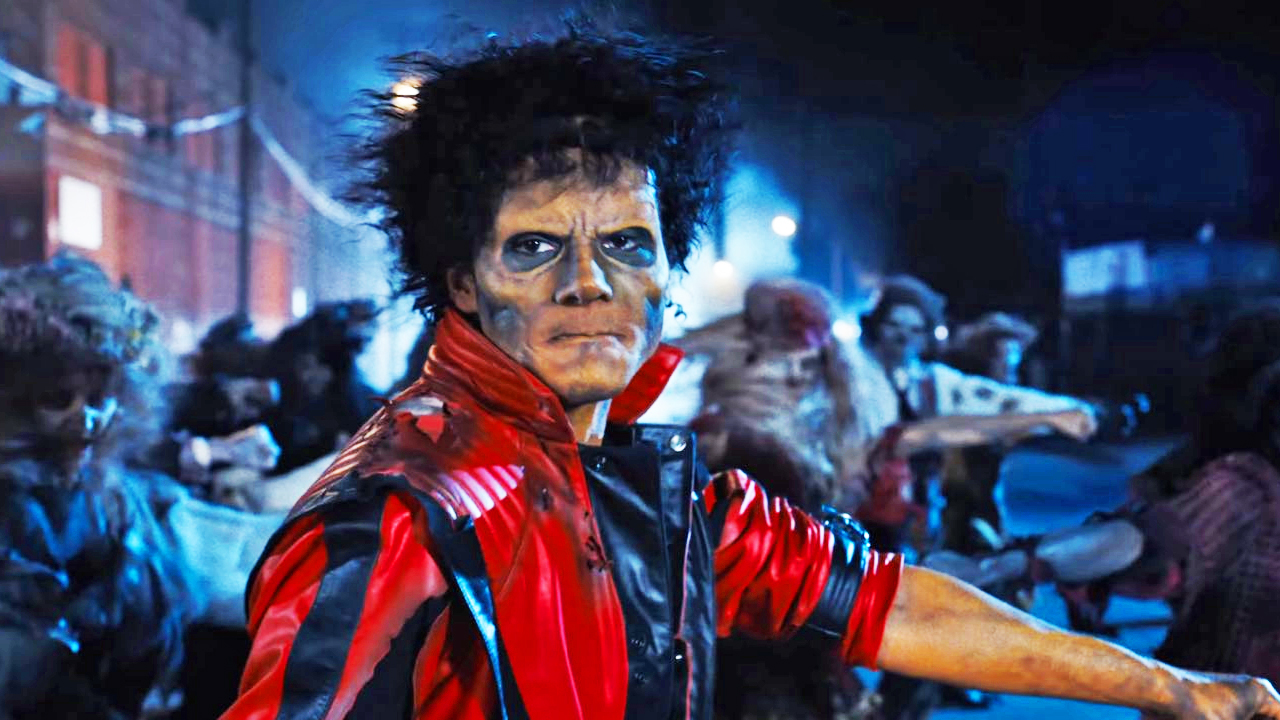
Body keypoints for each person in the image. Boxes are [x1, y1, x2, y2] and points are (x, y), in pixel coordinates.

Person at [219, 23, 1280, 720]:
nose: (587, 284)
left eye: (626, 244)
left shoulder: (644, 489)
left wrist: (1166, 687)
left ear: (667, 274)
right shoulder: (397, 519)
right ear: (460, 278)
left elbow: (894, 606)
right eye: (534, 247)